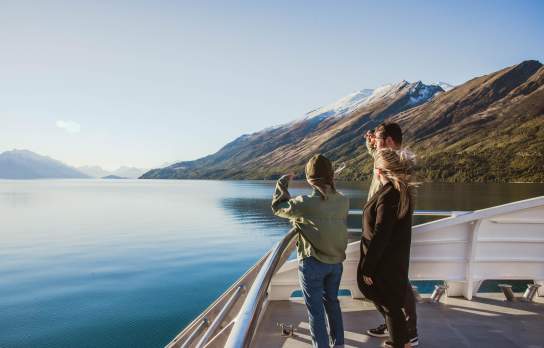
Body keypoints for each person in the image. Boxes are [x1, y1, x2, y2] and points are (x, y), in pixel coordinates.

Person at [272, 154, 349, 348]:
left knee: (315, 312)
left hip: (313, 263)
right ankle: (338, 344)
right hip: (336, 263)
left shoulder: (305, 203)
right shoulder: (343, 201)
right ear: (331, 176)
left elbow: (278, 208)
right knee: (332, 303)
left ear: (309, 180)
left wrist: (282, 184)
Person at [363, 123, 419, 347]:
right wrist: (370, 147)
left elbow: (385, 167)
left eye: (377, 140)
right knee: (391, 285)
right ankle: (394, 324)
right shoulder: (389, 161)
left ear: (387, 142)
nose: (375, 144)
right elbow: (380, 160)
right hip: (386, 226)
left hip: (391, 231)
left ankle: (408, 331)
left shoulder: (400, 166)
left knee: (398, 284)